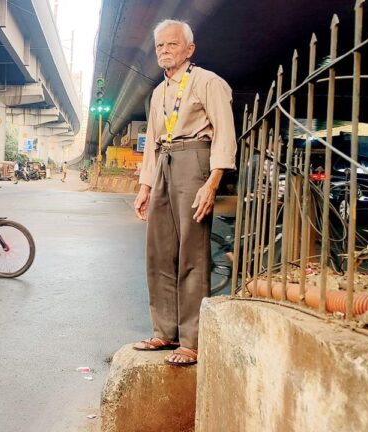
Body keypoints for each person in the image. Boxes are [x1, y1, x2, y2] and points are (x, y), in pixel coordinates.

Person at [131, 19, 236, 366]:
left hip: (195, 159)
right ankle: (165, 331)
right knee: (159, 251)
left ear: (189, 49)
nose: (164, 50)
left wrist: (212, 182)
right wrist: (145, 186)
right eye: (160, 45)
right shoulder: (158, 93)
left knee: (192, 251)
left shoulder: (208, 82)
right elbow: (152, 143)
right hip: (165, 160)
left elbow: (225, 134)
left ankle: (191, 340)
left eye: (172, 44)